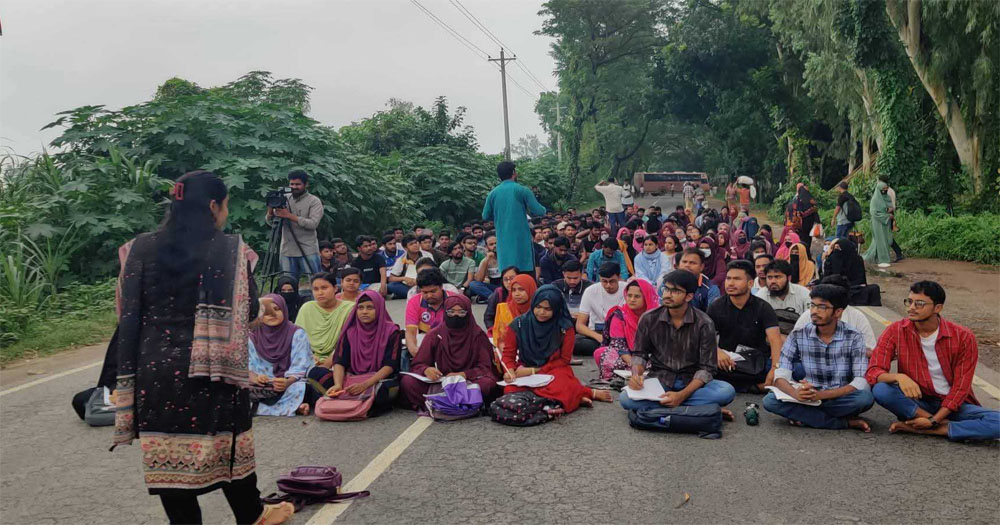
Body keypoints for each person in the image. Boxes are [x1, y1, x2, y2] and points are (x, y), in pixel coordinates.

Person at [113, 171, 293, 524]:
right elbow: (250, 311)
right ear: (213, 206)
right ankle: (252, 514)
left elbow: (126, 310)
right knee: (228, 441)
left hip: (155, 370)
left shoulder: (138, 248)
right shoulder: (228, 250)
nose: (225, 213)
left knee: (168, 453)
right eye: (225, 206)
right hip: (213, 369)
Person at [866, 281, 998, 441]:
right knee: (882, 390)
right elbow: (873, 371)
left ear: (938, 308)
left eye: (919, 303)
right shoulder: (896, 331)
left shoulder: (962, 337)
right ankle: (942, 426)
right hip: (917, 402)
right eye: (909, 301)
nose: (911, 307)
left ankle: (933, 429)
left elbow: (960, 388)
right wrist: (899, 377)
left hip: (952, 406)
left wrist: (935, 420)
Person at [618, 270, 737, 417]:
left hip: (692, 381)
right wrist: (636, 375)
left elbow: (707, 368)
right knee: (625, 399)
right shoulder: (649, 318)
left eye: (675, 291)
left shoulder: (704, 323)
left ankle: (667, 407)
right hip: (660, 379)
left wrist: (681, 395)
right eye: (666, 289)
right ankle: (696, 411)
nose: (667, 295)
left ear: (689, 296)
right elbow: (639, 354)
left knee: (726, 391)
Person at [762, 284, 873, 431]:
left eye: (822, 307)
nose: (814, 311)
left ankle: (804, 417)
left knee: (864, 399)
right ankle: (843, 423)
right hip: (807, 395)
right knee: (770, 401)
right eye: (812, 305)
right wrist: (796, 393)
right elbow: (781, 374)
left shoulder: (853, 336)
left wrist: (822, 395)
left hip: (838, 395)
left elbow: (860, 380)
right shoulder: (798, 334)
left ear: (838, 312)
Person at [500, 285, 613, 415]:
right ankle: (573, 398)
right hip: (524, 367)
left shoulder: (564, 328)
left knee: (562, 387)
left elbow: (564, 360)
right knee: (510, 390)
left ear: (556, 308)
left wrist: (534, 371)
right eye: (538, 307)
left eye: (548, 309)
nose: (542, 312)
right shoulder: (518, 324)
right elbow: (508, 354)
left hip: (554, 368)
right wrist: (510, 371)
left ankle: (579, 394)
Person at [402, 294, 501, 410]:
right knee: (408, 382)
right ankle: (458, 401)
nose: (456, 316)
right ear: (445, 312)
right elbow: (419, 363)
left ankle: (442, 401)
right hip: (442, 380)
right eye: (451, 312)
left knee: (487, 384)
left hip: (469, 381)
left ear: (468, 313)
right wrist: (427, 370)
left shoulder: (477, 335)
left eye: (461, 312)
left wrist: (463, 374)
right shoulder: (435, 334)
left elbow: (485, 367)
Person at [312, 290, 402, 416]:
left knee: (384, 390)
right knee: (316, 373)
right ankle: (351, 399)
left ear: (379, 309)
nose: (364, 312)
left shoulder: (392, 331)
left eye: (370, 307)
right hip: (351, 379)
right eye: (360, 308)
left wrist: (365, 384)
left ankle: (355, 401)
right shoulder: (350, 331)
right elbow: (339, 360)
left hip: (378, 380)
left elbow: (390, 365)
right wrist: (338, 384)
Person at [707, 260, 783, 391]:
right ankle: (755, 387)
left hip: (757, 361)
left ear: (750, 283)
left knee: (793, 370)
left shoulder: (763, 307)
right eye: (728, 278)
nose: (730, 283)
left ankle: (744, 386)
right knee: (705, 367)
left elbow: (775, 339)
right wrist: (717, 352)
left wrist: (775, 369)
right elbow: (705, 337)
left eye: (737, 279)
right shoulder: (716, 306)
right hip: (727, 361)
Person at [248, 294, 314, 417]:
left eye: (276, 309)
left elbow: (301, 365)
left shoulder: (297, 333)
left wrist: (287, 382)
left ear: (284, 309)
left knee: (301, 388)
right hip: (259, 385)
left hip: (289, 383)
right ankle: (294, 407)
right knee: (236, 389)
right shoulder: (251, 335)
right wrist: (256, 378)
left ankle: (261, 408)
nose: (271, 315)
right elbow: (247, 365)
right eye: (266, 312)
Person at [482, 161, 546, 273]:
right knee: (525, 276)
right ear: (514, 173)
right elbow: (539, 211)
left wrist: (500, 217)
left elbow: (485, 215)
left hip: (503, 243)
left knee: (508, 276)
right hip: (522, 242)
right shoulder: (522, 190)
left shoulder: (492, 193)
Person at [792, 275, 876, 355]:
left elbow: (871, 351)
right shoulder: (809, 315)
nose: (816, 310)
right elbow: (793, 346)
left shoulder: (857, 317)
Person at [594, 278, 659, 380]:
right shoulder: (620, 315)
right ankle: (631, 376)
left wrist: (642, 363)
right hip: (625, 357)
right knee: (601, 353)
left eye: (637, 296)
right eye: (629, 296)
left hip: (648, 358)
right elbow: (618, 344)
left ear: (646, 297)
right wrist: (634, 365)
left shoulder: (657, 316)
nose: (632, 299)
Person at [266, 170, 324, 284]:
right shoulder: (283, 198)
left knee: (316, 282)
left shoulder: (314, 201)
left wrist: (289, 216)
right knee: (288, 284)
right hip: (287, 250)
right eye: (291, 184)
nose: (294, 187)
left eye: (297, 184)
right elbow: (271, 223)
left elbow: (313, 224)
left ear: (306, 184)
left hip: (308, 249)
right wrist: (270, 208)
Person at [296, 272, 355, 366]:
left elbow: (350, 341)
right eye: (315, 289)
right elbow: (298, 340)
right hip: (309, 358)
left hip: (340, 359)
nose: (320, 293)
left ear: (335, 288)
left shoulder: (349, 309)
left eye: (324, 288)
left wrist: (330, 361)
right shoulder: (307, 308)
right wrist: (310, 356)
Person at [403, 269, 455, 369]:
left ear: (441, 287)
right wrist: (414, 350)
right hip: (425, 339)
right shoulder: (414, 302)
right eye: (425, 292)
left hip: (451, 340)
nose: (429, 295)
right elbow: (410, 332)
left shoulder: (454, 300)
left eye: (433, 291)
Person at [575, 262, 625, 357]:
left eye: (612, 281)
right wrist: (599, 337)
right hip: (597, 334)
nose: (608, 285)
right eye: (604, 281)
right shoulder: (590, 291)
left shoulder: (628, 290)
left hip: (622, 335)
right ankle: (615, 350)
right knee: (576, 343)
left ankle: (613, 349)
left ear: (619, 278)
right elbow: (579, 325)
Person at [491, 274, 538, 349]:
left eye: (521, 289)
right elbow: (500, 339)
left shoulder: (540, 310)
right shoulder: (504, 309)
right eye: (513, 290)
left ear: (530, 289)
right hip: (508, 352)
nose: (517, 294)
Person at [387, 234, 432, 299]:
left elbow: (434, 272)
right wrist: (404, 278)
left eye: (416, 242)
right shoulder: (402, 259)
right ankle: (418, 294)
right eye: (411, 244)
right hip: (409, 285)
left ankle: (415, 294)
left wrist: (418, 281)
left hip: (425, 283)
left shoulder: (427, 255)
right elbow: (391, 278)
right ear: (405, 248)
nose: (415, 245)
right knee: (391, 286)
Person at [863, 181, 895, 267]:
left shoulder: (886, 197)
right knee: (880, 240)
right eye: (883, 189)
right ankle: (883, 259)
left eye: (885, 189)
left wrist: (889, 211)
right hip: (878, 222)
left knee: (886, 239)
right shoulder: (875, 200)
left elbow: (888, 207)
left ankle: (877, 257)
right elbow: (874, 213)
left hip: (886, 223)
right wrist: (887, 216)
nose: (884, 190)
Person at [483, 266, 520, 337]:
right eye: (505, 279)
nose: (509, 282)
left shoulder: (525, 293)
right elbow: (488, 317)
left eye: (512, 278)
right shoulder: (498, 294)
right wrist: (494, 331)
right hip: (501, 332)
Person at [784, 183, 819, 257]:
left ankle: (800, 252)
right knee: (807, 239)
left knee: (800, 238)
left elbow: (792, 212)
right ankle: (806, 253)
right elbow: (815, 212)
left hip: (799, 225)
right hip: (808, 225)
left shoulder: (796, 200)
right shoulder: (810, 201)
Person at [469, 233, 502, 301]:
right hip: (495, 287)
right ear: (487, 247)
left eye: (496, 243)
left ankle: (494, 298)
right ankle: (494, 298)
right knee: (473, 284)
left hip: (506, 286)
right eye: (491, 244)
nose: (495, 246)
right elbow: (479, 280)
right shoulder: (485, 260)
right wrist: (486, 260)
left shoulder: (506, 256)